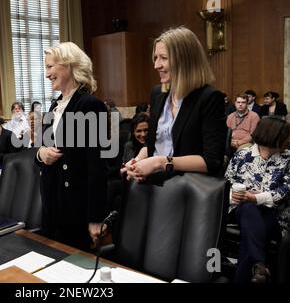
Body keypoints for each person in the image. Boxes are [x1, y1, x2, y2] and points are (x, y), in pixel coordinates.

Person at [122, 27, 226, 182]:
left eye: (163, 58)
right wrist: (137, 161)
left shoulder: (209, 98)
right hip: (153, 186)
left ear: (185, 60)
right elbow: (155, 144)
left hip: (185, 191)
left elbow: (212, 161)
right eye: (155, 57)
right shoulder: (158, 93)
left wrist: (161, 162)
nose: (156, 65)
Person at [35, 42, 108, 251]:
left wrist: (96, 217)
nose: (47, 73)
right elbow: (39, 150)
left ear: (68, 66)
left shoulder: (91, 105)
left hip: (75, 208)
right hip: (52, 204)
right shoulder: (54, 105)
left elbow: (98, 166)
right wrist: (41, 154)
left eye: (50, 67)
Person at [225, 117, 290, 283]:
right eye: (286, 136)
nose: (288, 140)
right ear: (272, 135)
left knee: (251, 226)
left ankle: (258, 266)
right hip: (240, 211)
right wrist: (234, 195)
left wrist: (256, 198)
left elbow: (285, 191)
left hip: (274, 216)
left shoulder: (288, 158)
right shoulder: (242, 155)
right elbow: (226, 183)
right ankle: (259, 264)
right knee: (248, 208)